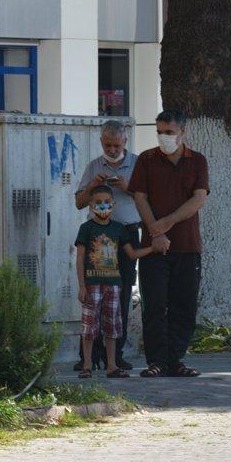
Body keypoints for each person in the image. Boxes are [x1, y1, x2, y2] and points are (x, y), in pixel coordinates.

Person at [129, 109, 209, 378]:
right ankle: (156, 361)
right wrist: (155, 231)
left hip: (187, 245)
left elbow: (198, 199)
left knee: (183, 304)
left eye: (169, 132)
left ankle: (176, 359)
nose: (164, 137)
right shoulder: (147, 159)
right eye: (160, 132)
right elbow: (140, 197)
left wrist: (167, 223)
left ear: (182, 132)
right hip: (153, 247)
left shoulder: (196, 161)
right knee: (154, 304)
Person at [74, 120, 142, 372]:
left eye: (117, 145)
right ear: (102, 142)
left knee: (121, 294)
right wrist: (93, 185)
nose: (112, 149)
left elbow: (150, 198)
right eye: (107, 145)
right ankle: (88, 357)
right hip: (97, 237)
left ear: (125, 142)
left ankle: (116, 355)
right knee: (93, 296)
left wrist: (128, 188)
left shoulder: (136, 164)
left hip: (126, 233)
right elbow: (79, 202)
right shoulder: (94, 166)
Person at [75, 185, 152, 380]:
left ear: (113, 204)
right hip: (92, 284)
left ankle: (112, 366)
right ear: (90, 205)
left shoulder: (118, 229)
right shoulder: (86, 228)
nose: (103, 206)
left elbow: (132, 253)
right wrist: (82, 286)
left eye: (106, 202)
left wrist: (154, 248)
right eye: (98, 203)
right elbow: (80, 258)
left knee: (112, 327)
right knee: (89, 328)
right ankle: (87, 365)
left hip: (113, 285)